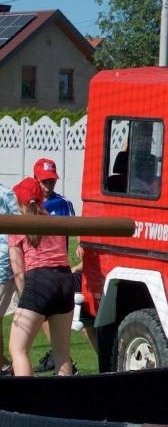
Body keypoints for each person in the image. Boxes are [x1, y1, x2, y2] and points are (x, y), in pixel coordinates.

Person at [8, 177, 76, 378]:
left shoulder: (18, 224)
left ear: (19, 201)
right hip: (65, 279)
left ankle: (26, 402)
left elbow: (19, 271)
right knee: (62, 352)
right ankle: (64, 405)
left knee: (18, 349)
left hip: (39, 281)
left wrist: (26, 302)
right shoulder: (54, 220)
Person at [32, 158, 80, 373]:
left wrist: (80, 250)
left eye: (51, 181)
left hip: (58, 267)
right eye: (44, 181)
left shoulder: (63, 203)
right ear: (36, 180)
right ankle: (61, 355)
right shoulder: (30, 204)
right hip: (36, 266)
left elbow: (79, 231)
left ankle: (61, 356)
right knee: (41, 314)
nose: (48, 186)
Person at [0, 180, 21, 375]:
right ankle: (6, 366)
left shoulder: (6, 194)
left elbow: (21, 227)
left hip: (1, 267)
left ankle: (8, 367)